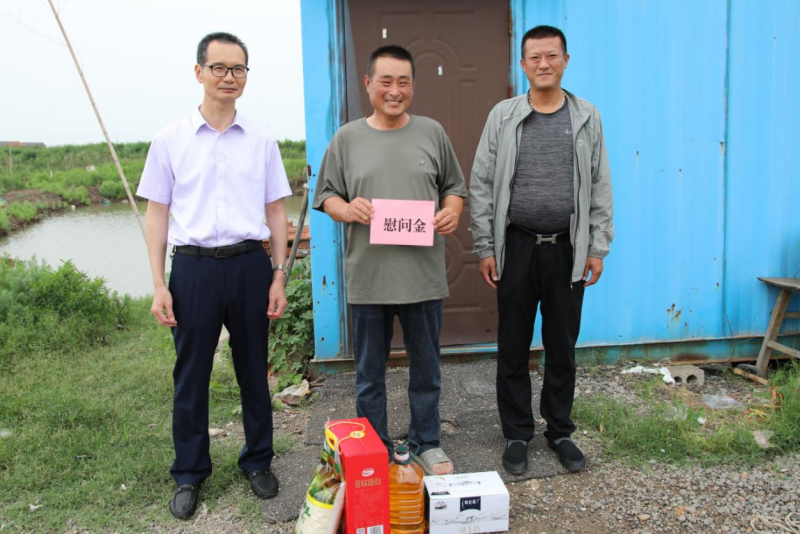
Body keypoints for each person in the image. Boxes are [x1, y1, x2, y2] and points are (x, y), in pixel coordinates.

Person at [138, 31, 292, 519]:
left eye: (238, 68)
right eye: (220, 67)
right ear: (199, 71)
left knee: (253, 369)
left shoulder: (261, 139)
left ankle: (258, 460)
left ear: (247, 75)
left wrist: (278, 275)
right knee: (191, 375)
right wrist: (159, 283)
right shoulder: (170, 139)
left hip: (249, 265)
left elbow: (276, 211)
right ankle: (189, 472)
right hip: (193, 268)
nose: (229, 77)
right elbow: (157, 214)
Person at [312, 44, 467, 476]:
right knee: (369, 373)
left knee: (426, 369)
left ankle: (427, 441)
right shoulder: (347, 138)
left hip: (422, 277)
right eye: (386, 81)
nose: (394, 90)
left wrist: (452, 211)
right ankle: (373, 447)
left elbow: (454, 188)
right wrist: (347, 209)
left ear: (413, 86)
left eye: (403, 82)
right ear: (368, 84)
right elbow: (326, 196)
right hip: (369, 277)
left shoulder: (432, 132)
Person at [469, 25, 613, 475]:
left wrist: (597, 246)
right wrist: (485, 245)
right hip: (516, 246)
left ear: (565, 61)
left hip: (568, 249)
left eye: (552, 56)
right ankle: (517, 433)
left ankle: (560, 431)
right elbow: (481, 182)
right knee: (513, 344)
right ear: (523, 64)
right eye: (535, 57)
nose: (544, 64)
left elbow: (600, 184)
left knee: (562, 346)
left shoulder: (586, 116)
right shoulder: (504, 115)